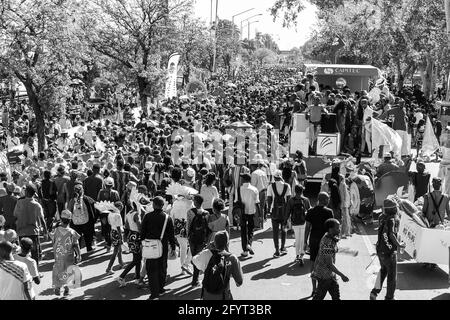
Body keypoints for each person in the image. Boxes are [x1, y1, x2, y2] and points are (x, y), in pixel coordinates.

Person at [141, 196, 176, 300]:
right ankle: (161, 288)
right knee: (162, 267)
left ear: (153, 205)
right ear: (162, 205)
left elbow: (142, 232)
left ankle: (153, 293)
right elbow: (171, 234)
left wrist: (142, 243)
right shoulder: (167, 217)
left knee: (151, 269)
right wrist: (173, 247)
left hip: (150, 245)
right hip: (162, 245)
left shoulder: (147, 216)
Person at [370, 198, 405, 300]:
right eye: (395, 208)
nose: (397, 209)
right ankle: (389, 297)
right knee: (391, 277)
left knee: (383, 272)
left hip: (380, 250)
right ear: (393, 209)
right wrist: (399, 245)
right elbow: (391, 235)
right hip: (389, 253)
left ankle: (374, 293)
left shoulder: (382, 217)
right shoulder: (393, 219)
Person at [192, 231, 243, 300]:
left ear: (214, 242)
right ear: (227, 243)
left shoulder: (206, 253)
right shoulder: (232, 258)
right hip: (224, 296)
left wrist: (207, 248)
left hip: (207, 296)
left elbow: (194, 260)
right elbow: (239, 282)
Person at [305, 192, 334, 297]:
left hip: (313, 239)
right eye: (328, 199)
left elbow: (307, 227)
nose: (329, 200)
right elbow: (331, 228)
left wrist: (305, 241)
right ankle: (322, 289)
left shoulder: (310, 211)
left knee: (313, 263)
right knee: (327, 263)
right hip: (325, 241)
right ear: (325, 200)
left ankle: (314, 289)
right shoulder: (329, 212)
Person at [312, 219, 349, 300]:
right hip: (324, 276)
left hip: (330, 275)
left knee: (336, 297)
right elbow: (329, 264)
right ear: (330, 229)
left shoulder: (329, 236)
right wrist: (342, 275)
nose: (339, 229)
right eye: (337, 228)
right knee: (319, 297)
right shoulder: (327, 242)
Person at [50, 210, 81, 296]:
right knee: (68, 272)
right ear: (70, 220)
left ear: (61, 219)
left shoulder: (56, 230)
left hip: (58, 256)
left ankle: (57, 287)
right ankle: (66, 289)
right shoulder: (71, 232)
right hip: (69, 257)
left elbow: (52, 239)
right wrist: (79, 254)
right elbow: (75, 245)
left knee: (58, 270)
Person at [14, 185, 47, 266]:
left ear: (27, 192)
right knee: (34, 253)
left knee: (23, 253)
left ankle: (25, 271)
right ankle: (36, 271)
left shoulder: (19, 202)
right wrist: (45, 232)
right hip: (33, 232)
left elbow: (15, 215)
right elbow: (42, 220)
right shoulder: (37, 205)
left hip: (21, 232)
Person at [117, 201, 143, 287]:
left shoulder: (128, 213)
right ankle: (121, 276)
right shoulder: (136, 214)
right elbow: (139, 227)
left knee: (137, 258)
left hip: (131, 236)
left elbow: (127, 226)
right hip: (137, 237)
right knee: (136, 260)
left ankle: (137, 278)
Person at [267, 170, 291, 257]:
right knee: (284, 229)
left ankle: (277, 250)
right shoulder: (287, 186)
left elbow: (269, 200)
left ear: (274, 177)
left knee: (275, 232)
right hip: (284, 212)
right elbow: (289, 200)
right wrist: (289, 212)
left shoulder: (270, 186)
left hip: (274, 211)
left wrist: (268, 211)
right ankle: (283, 247)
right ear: (281, 176)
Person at [187, 194, 210, 287]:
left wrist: (188, 237)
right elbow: (208, 227)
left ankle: (195, 280)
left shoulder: (190, 212)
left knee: (194, 257)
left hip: (192, 239)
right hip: (202, 239)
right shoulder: (207, 213)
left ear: (195, 202)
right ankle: (196, 280)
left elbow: (188, 225)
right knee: (199, 258)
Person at [67, 183, 97, 253]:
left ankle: (78, 251)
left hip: (75, 222)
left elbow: (69, 211)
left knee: (77, 237)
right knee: (88, 235)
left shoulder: (72, 200)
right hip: (87, 222)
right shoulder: (87, 199)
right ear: (82, 190)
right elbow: (94, 207)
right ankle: (89, 248)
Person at [285, 184, 310, 266]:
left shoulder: (291, 200)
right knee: (303, 239)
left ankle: (297, 255)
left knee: (297, 238)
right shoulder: (305, 200)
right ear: (302, 191)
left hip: (295, 223)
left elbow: (288, 212)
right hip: (303, 222)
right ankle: (302, 255)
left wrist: (285, 222)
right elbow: (309, 211)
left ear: (295, 191)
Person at [238, 173, 260, 257]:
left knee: (243, 231)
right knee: (251, 230)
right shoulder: (254, 189)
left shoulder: (239, 189)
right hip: (251, 212)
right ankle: (249, 244)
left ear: (244, 180)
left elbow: (237, 201)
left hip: (242, 212)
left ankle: (245, 251)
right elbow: (257, 202)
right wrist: (260, 215)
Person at [97, 177, 120, 252]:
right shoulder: (115, 192)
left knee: (105, 229)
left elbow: (98, 201)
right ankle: (110, 244)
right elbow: (118, 203)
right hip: (112, 214)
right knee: (111, 229)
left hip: (103, 214)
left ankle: (108, 243)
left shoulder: (101, 192)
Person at [105, 203, 125, 274]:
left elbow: (110, 223)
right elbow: (118, 227)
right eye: (121, 207)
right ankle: (109, 268)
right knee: (116, 251)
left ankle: (121, 263)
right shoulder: (118, 215)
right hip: (117, 233)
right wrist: (121, 237)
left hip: (112, 232)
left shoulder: (110, 214)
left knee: (119, 249)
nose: (121, 209)